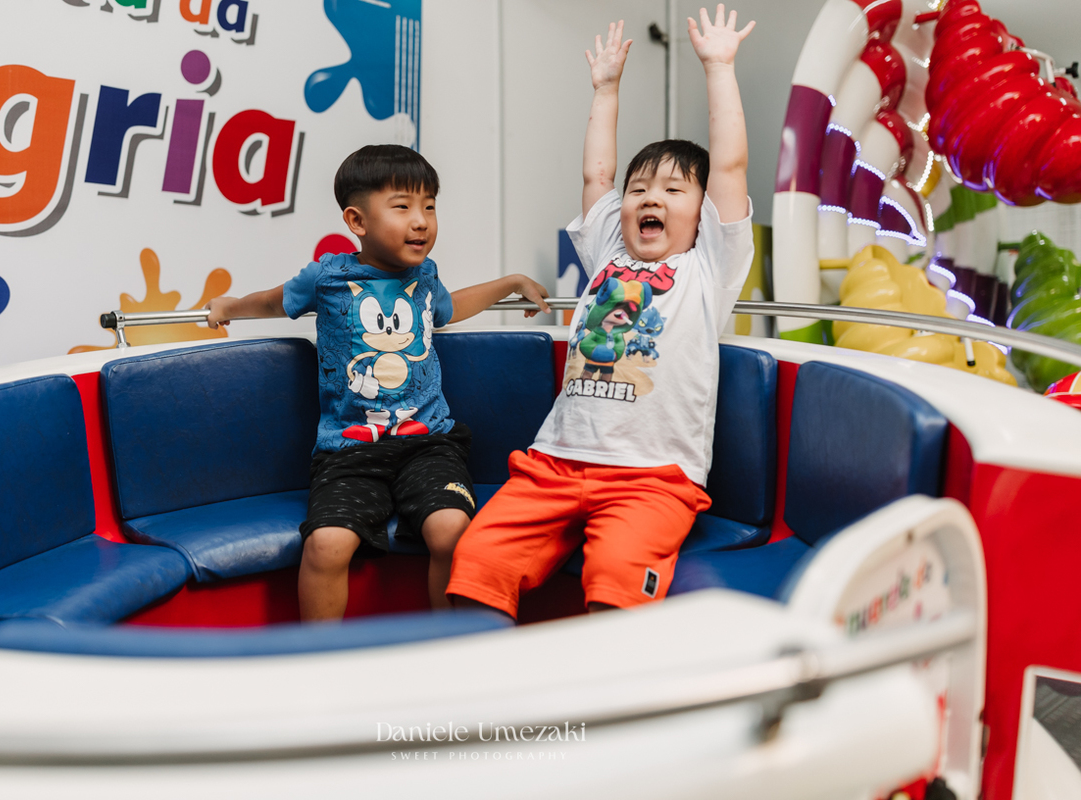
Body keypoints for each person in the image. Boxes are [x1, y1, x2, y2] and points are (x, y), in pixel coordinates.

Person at [448, 7, 756, 617]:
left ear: (703, 214)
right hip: (553, 463)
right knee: (476, 561)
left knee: (616, 579)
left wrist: (719, 68)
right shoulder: (608, 253)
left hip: (652, 477)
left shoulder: (708, 266)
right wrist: (606, 89)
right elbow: (597, 173)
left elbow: (729, 167)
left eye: (673, 190)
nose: (649, 198)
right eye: (639, 189)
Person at [205, 144, 549, 621]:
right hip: (349, 451)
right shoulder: (327, 276)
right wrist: (229, 306)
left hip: (429, 444)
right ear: (357, 220)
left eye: (429, 206)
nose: (421, 221)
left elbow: (449, 310)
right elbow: (271, 302)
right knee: (326, 545)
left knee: (452, 531)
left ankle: (450, 646)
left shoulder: (425, 276)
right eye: (402, 206)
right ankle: (322, 657)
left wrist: (509, 283)